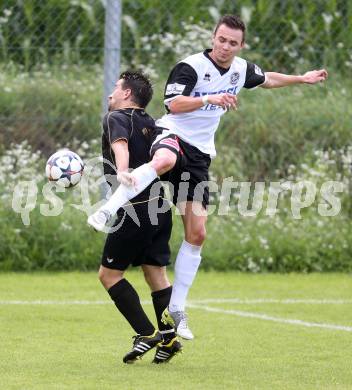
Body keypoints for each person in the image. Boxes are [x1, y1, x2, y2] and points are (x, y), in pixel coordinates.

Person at [88, 15, 328, 339]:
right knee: (164, 159)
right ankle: (108, 208)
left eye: (233, 43)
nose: (225, 47)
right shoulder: (190, 67)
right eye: (221, 39)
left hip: (200, 155)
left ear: (241, 46)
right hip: (172, 133)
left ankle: (178, 309)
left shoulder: (241, 69)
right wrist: (209, 98)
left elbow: (267, 78)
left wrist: (302, 78)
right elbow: (172, 103)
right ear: (213, 37)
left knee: (197, 233)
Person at [97, 70, 182, 364]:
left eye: (115, 88)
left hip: (134, 208)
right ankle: (169, 338)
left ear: (127, 94)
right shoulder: (153, 124)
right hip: (160, 206)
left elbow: (120, 145)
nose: (111, 94)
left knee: (109, 275)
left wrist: (123, 172)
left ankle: (147, 333)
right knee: (155, 273)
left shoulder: (115, 117)